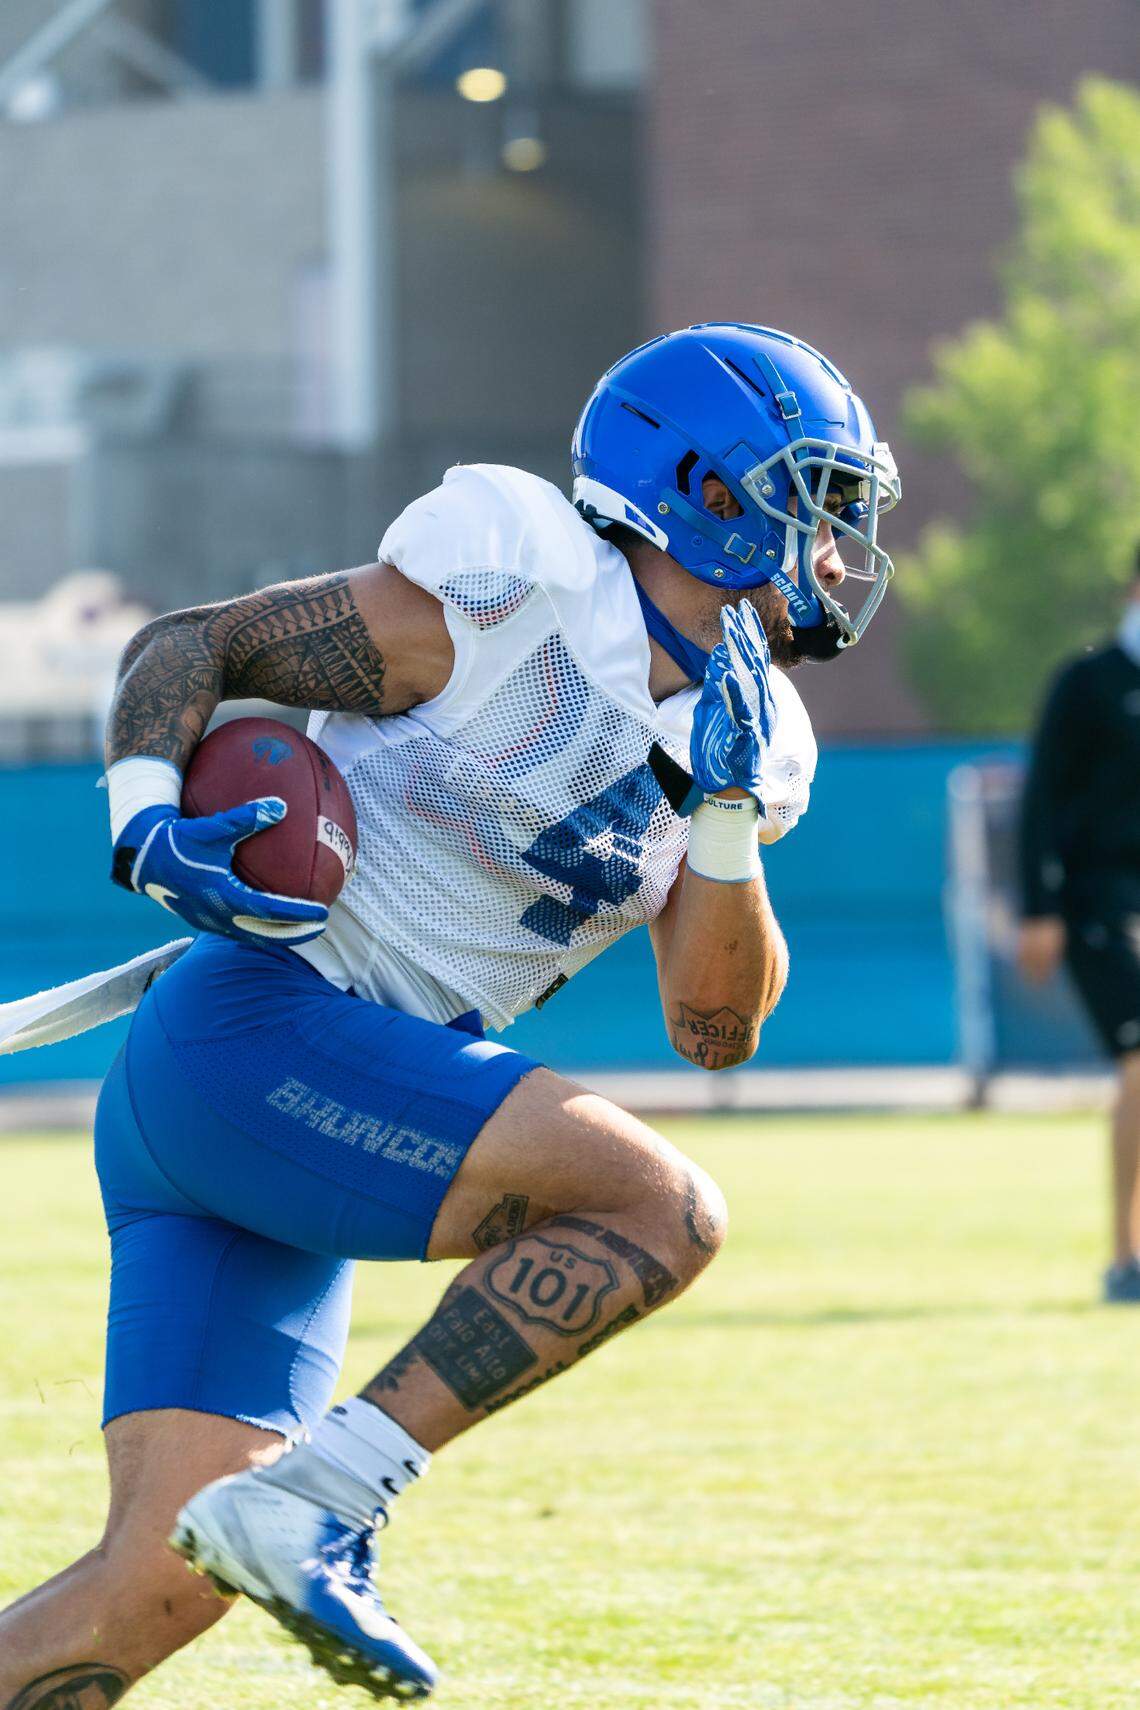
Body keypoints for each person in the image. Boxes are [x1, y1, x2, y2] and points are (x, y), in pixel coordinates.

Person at [0, 324, 900, 1707]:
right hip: (251, 1030)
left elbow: (713, 1029)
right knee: (666, 1209)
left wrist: (721, 816)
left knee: (153, 1585)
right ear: (708, 495)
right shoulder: (514, 588)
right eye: (814, 503)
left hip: (299, 1115)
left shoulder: (757, 741)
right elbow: (200, 643)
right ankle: (334, 1496)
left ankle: (289, 1509)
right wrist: (142, 823)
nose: (835, 555)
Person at [1017, 548, 1140, 1302]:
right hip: (1101, 907)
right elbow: (1040, 802)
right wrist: (1039, 910)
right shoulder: (1088, 683)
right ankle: (1126, 1257)